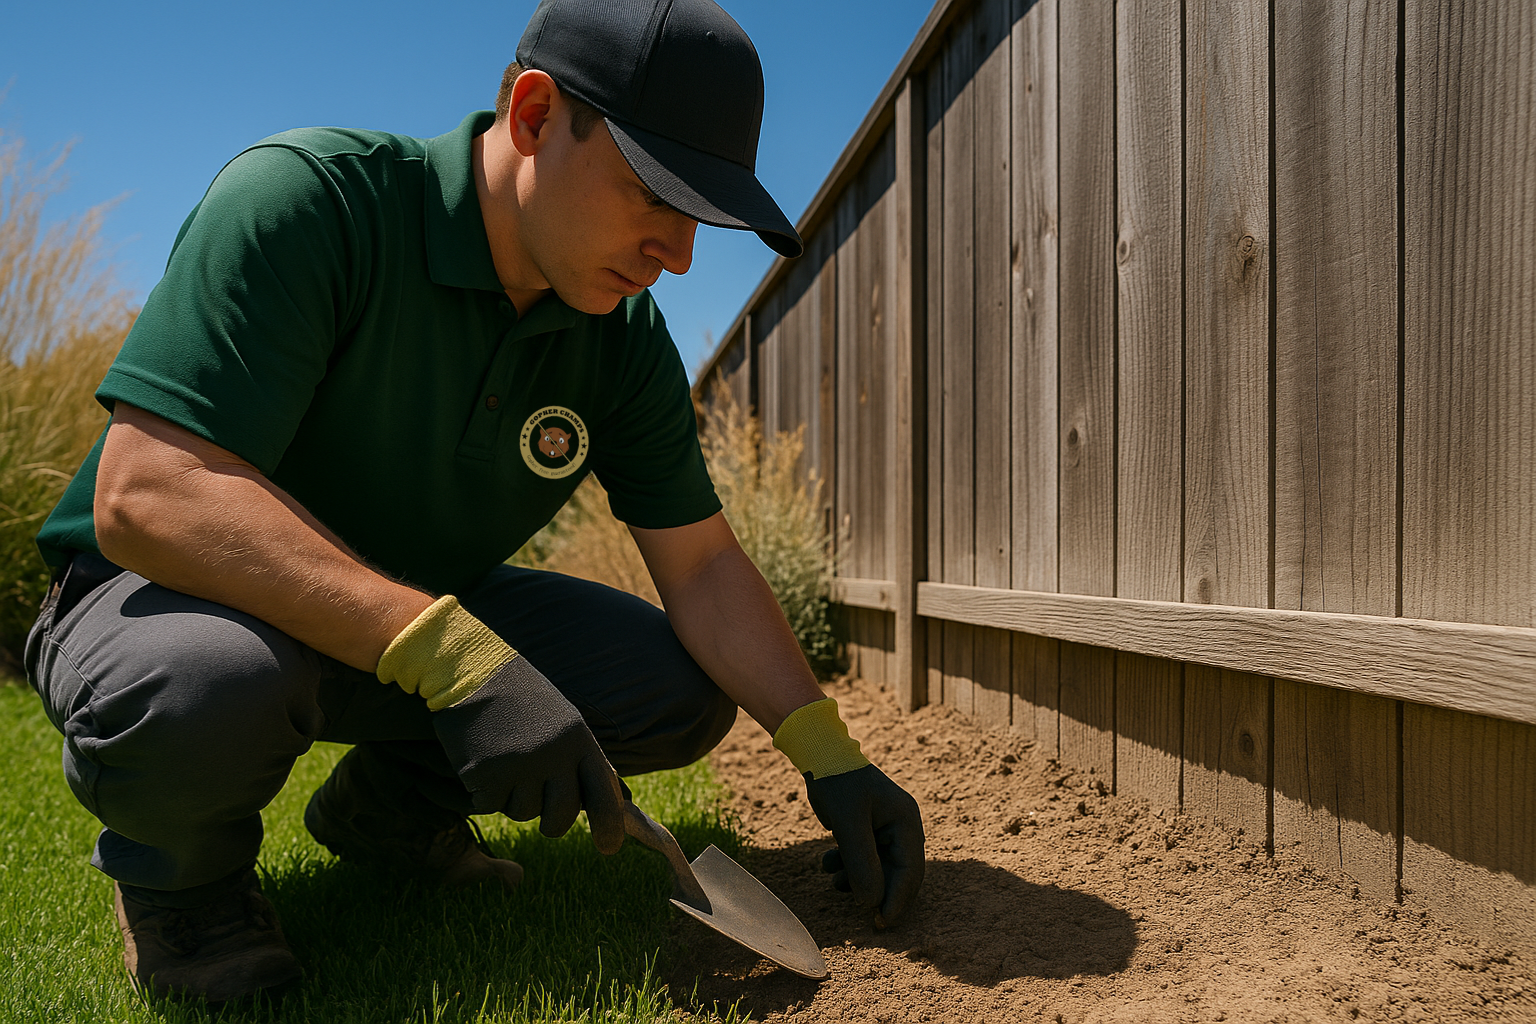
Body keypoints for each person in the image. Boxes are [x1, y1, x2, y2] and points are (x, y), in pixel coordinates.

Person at [22, 0, 924, 1006]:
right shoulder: (313, 202)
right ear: (534, 116)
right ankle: (186, 893)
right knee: (206, 684)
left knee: (673, 684)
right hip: (171, 605)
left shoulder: (619, 337)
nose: (678, 254)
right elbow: (150, 492)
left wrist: (828, 753)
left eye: (699, 217)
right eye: (653, 195)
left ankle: (387, 818)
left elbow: (704, 565)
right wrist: (453, 657)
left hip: (403, 621)